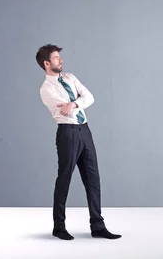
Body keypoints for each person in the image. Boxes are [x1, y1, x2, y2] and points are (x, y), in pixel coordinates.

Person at [36, 44, 121, 241]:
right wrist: (74, 103)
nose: (61, 61)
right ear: (47, 63)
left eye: (60, 57)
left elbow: (89, 97)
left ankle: (97, 226)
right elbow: (63, 111)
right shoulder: (46, 89)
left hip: (85, 130)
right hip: (67, 133)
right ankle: (59, 226)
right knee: (64, 178)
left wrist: (73, 103)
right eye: (56, 58)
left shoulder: (70, 78)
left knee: (93, 178)